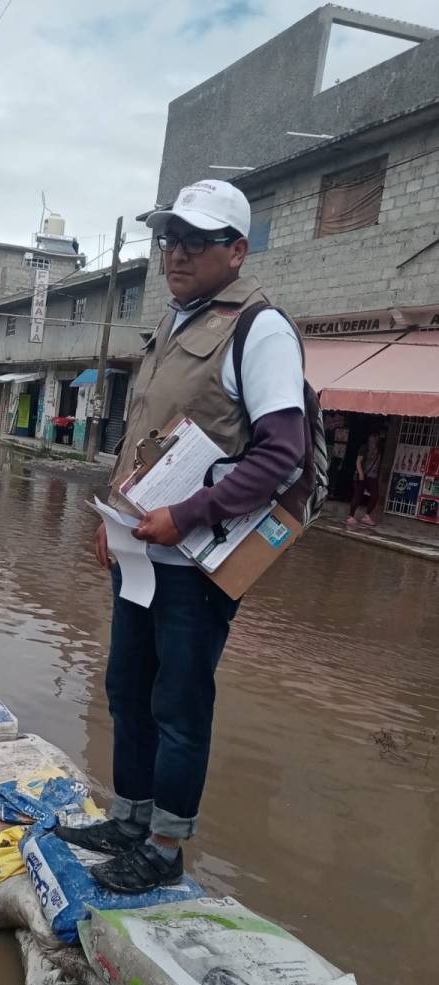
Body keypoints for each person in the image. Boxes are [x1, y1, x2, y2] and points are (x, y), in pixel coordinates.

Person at [58, 179, 307, 893]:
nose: (177, 253)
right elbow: (142, 439)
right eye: (171, 238)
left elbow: (279, 453)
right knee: (126, 688)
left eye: (197, 240)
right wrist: (117, 519)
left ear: (237, 250)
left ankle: (165, 847)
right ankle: (130, 819)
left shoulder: (259, 330)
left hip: (197, 563)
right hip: (140, 550)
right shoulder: (173, 324)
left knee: (179, 703)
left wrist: (189, 513)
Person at [347, 432, 382, 527]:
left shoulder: (378, 449)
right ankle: (351, 516)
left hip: (372, 476)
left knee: (375, 495)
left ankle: (366, 516)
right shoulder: (364, 448)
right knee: (357, 496)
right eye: (373, 437)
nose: (374, 439)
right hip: (362, 475)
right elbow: (358, 461)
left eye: (376, 437)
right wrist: (361, 473)